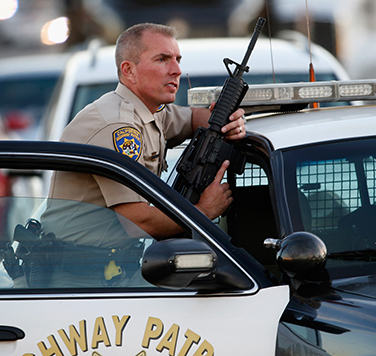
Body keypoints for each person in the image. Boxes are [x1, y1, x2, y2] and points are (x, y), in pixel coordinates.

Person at [42, 22, 246, 243]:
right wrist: (204, 210)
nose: (176, 70)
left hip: (107, 267)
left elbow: (192, 118)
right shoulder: (117, 125)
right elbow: (138, 223)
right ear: (129, 70)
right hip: (76, 271)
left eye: (177, 60)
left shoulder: (149, 111)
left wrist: (227, 123)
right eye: (162, 59)